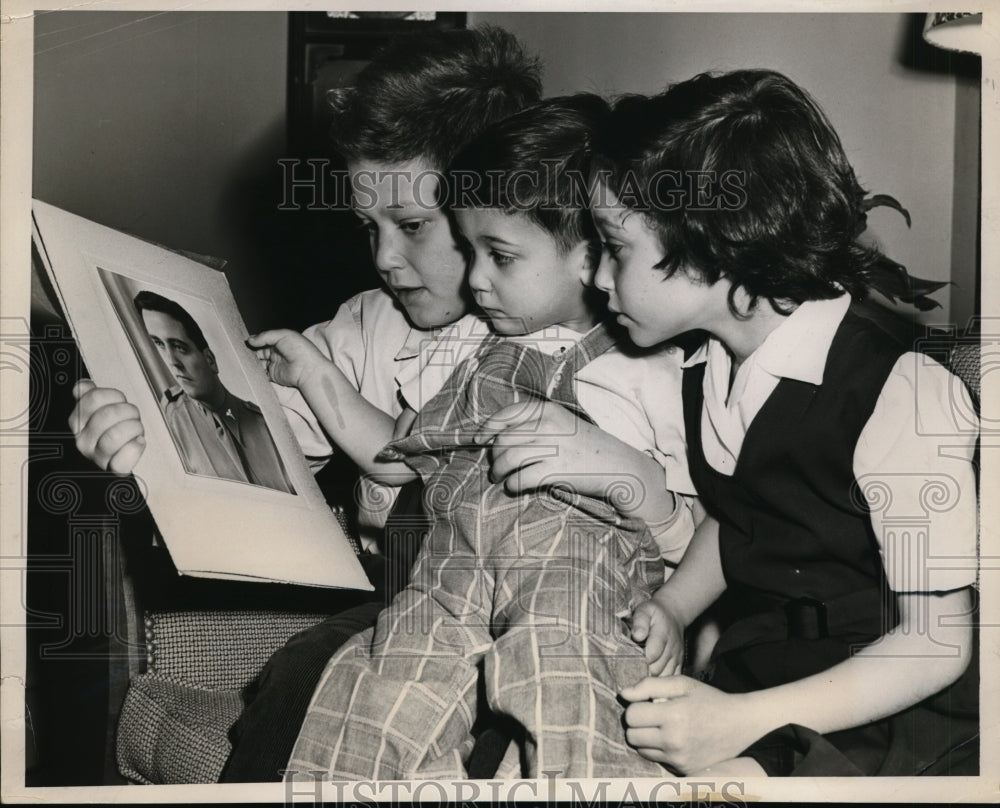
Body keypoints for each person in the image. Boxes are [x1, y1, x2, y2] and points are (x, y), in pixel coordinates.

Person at [67, 25, 543, 782]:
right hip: (392, 614)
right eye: (368, 227)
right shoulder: (361, 325)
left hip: (522, 622)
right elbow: (248, 435)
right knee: (306, 680)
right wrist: (137, 433)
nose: (384, 259)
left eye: (412, 227)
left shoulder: (560, 339)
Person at [283, 95, 698, 781]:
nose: (477, 280)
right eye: (470, 251)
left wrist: (665, 583)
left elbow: (696, 526)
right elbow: (395, 457)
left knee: (562, 686)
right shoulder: (467, 348)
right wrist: (315, 375)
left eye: (499, 256)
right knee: (373, 695)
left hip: (571, 576)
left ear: (593, 254)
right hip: (451, 567)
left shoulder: (642, 361)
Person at [585, 69, 979, 776]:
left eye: (615, 250)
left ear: (714, 244)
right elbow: (743, 511)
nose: (597, 281)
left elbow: (939, 642)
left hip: (885, 708)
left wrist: (743, 721)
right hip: (768, 673)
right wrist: (673, 605)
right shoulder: (710, 363)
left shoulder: (899, 392)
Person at [130, 290, 295, 494]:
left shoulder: (264, 423)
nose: (172, 362)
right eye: (159, 344)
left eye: (180, 347)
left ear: (210, 359)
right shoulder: (171, 418)